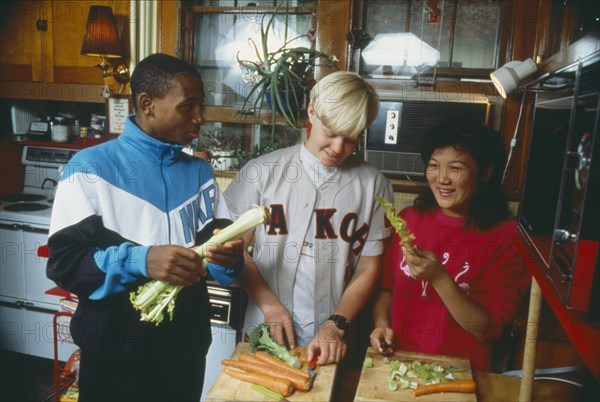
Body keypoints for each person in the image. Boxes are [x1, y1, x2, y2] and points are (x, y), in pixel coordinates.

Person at [46, 53, 244, 401]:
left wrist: (230, 258)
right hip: (114, 353)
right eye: (189, 106)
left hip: (185, 350)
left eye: (202, 106)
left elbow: (224, 265)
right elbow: (65, 264)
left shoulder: (199, 173)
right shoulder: (89, 168)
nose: (200, 118)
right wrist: (141, 260)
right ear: (146, 103)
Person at [223, 71, 394, 366]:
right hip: (264, 325)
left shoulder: (374, 185)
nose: (338, 148)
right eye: (331, 132)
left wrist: (336, 324)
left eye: (351, 138)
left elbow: (368, 267)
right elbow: (231, 251)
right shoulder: (260, 172)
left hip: (337, 335)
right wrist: (269, 303)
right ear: (312, 112)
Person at [369, 119, 531, 371]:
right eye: (434, 166)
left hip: (461, 372)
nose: (442, 178)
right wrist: (381, 323)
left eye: (455, 168)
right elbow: (387, 288)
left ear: (486, 172)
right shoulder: (408, 219)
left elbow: (487, 328)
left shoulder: (508, 237)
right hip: (398, 362)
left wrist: (440, 279)